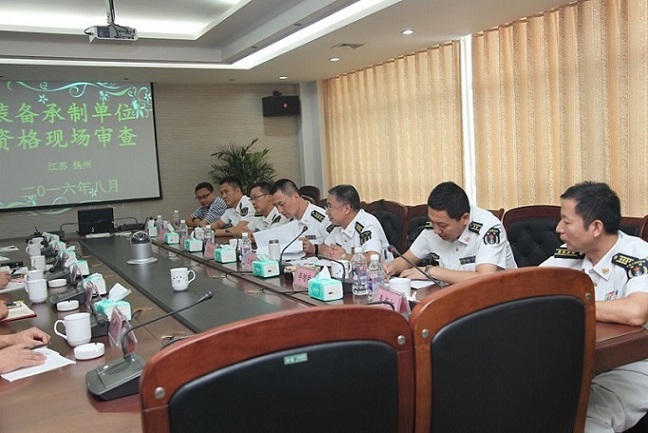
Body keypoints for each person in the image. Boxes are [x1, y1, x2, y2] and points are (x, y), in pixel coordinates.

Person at [540, 181, 648, 433]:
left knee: (587, 417)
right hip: (580, 361)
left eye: (566, 222)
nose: (558, 229)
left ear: (596, 227)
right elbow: (527, 287)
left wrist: (574, 305)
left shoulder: (638, 256)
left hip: (632, 365)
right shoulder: (570, 254)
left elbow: (636, 311)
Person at [385, 181, 516, 284]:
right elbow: (407, 260)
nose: (436, 230)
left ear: (465, 218)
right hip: (454, 296)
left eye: (442, 225)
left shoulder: (489, 228)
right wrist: (390, 268)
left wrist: (431, 271)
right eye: (432, 222)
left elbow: (484, 278)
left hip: (501, 299)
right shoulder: (435, 228)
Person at [319, 184, 388, 260]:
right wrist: (327, 251)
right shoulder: (339, 225)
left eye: (330, 207)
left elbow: (373, 258)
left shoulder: (367, 224)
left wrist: (343, 257)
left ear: (346, 209)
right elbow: (324, 245)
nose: (327, 212)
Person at [271, 179, 333, 256]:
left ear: (296, 197)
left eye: (282, 204)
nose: (280, 210)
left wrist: (315, 248)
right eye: (276, 206)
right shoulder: (283, 220)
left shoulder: (322, 218)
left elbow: (335, 249)